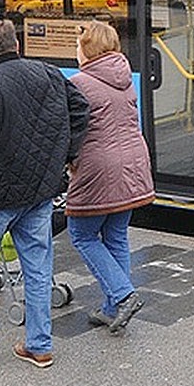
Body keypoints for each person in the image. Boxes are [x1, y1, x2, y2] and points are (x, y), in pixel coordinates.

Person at [0, 19, 89, 368]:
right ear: (17, 46)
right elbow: (81, 109)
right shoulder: (49, 74)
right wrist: (66, 155)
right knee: (38, 268)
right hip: (40, 192)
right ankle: (39, 346)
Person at [66, 21, 155, 334]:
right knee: (116, 235)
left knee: (82, 233)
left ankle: (123, 294)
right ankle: (110, 308)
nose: (75, 51)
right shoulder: (125, 77)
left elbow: (70, 130)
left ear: (88, 49)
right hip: (132, 163)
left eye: (78, 46)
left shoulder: (79, 82)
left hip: (99, 168)